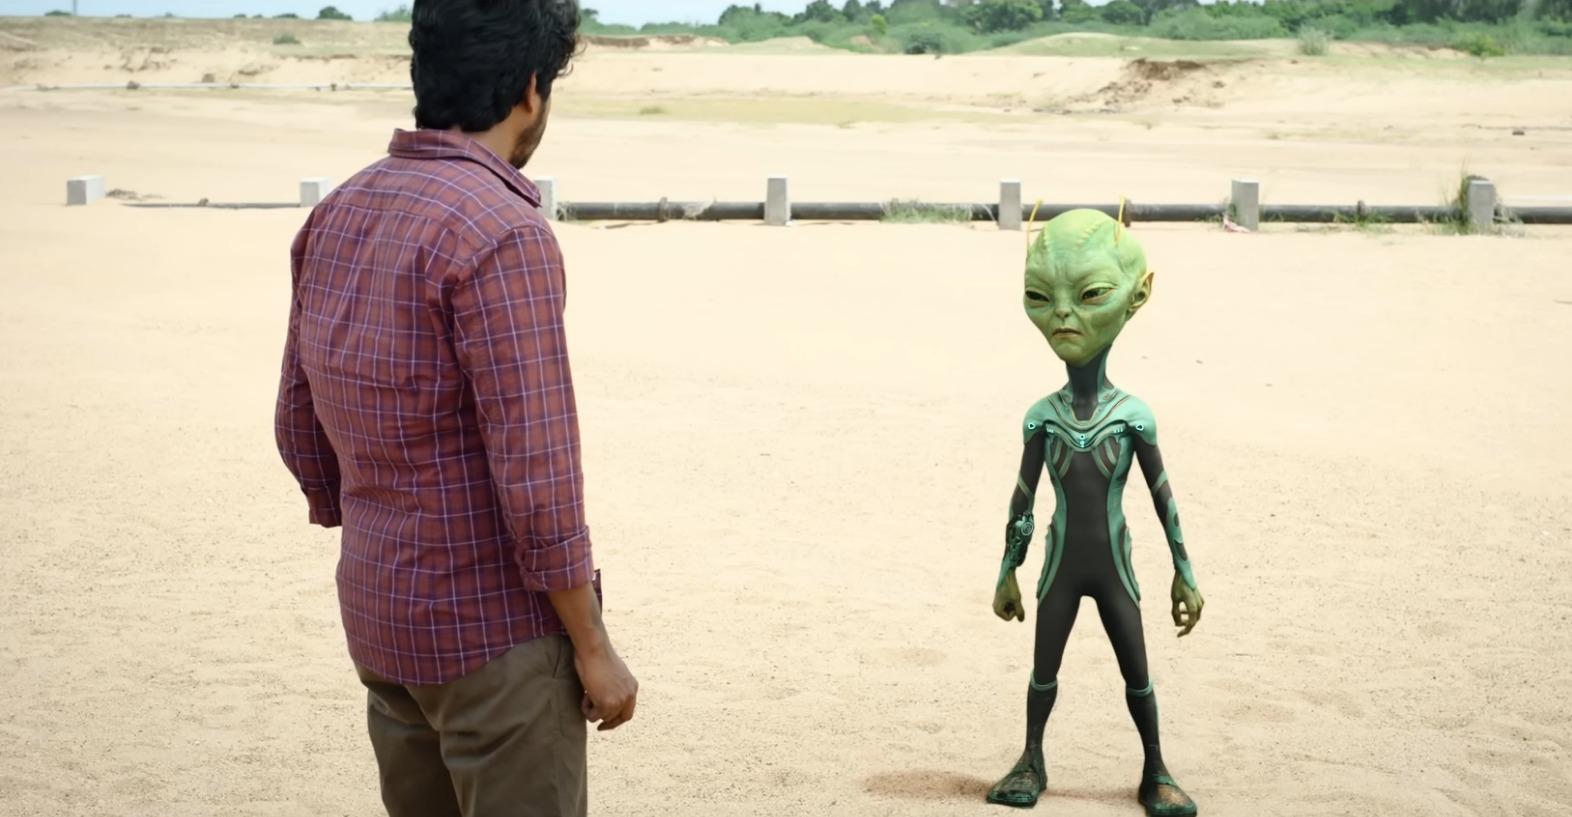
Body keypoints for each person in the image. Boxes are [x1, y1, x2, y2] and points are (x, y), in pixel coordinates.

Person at [273, 2, 636, 815]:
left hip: (380, 612)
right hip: (492, 634)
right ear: (532, 89)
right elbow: (538, 475)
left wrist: (370, 517)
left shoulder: (342, 208)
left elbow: (298, 418)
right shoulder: (503, 232)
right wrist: (593, 644)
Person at [986, 208, 1205, 816]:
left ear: (1137, 296)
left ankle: (1156, 768)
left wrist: (1185, 571)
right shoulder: (1042, 418)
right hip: (1062, 566)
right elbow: (1023, 503)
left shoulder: (1133, 417)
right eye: (1040, 297)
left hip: (1112, 568)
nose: (1062, 315)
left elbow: (1163, 498)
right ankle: (1031, 759)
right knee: (1043, 671)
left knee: (1138, 672)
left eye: (1089, 296)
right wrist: (1006, 571)